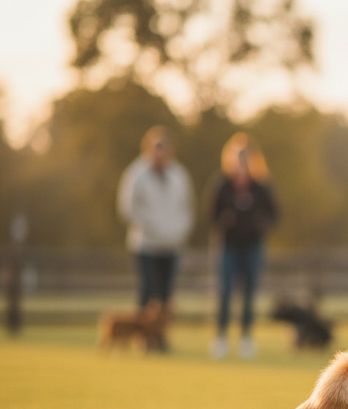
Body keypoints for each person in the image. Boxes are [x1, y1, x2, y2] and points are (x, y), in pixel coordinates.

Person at [117, 126, 193, 349]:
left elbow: (187, 208)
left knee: (166, 295)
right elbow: (127, 208)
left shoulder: (179, 175)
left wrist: (179, 230)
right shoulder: (136, 175)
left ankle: (160, 338)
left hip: (172, 244)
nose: (160, 155)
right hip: (146, 244)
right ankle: (143, 339)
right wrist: (151, 226)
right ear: (148, 150)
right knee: (148, 292)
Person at [209, 133, 278, 360]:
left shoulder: (261, 187)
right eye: (237, 160)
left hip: (253, 246)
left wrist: (260, 223)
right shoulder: (222, 186)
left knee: (249, 292)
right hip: (229, 246)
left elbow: (274, 215)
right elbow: (211, 214)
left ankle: (246, 337)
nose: (241, 165)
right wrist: (223, 221)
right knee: (226, 290)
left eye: (245, 160)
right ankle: (220, 337)